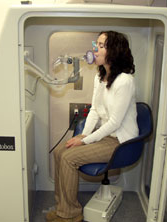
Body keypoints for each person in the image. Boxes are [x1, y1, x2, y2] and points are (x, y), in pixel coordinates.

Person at [46, 31, 139, 222]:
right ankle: (63, 207)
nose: (95, 50)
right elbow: (95, 109)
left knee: (69, 158)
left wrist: (86, 140)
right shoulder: (100, 77)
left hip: (121, 140)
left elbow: (115, 122)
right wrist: (83, 135)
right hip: (106, 135)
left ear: (114, 51)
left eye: (101, 46)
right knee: (58, 153)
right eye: (96, 44)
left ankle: (70, 215)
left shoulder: (125, 81)